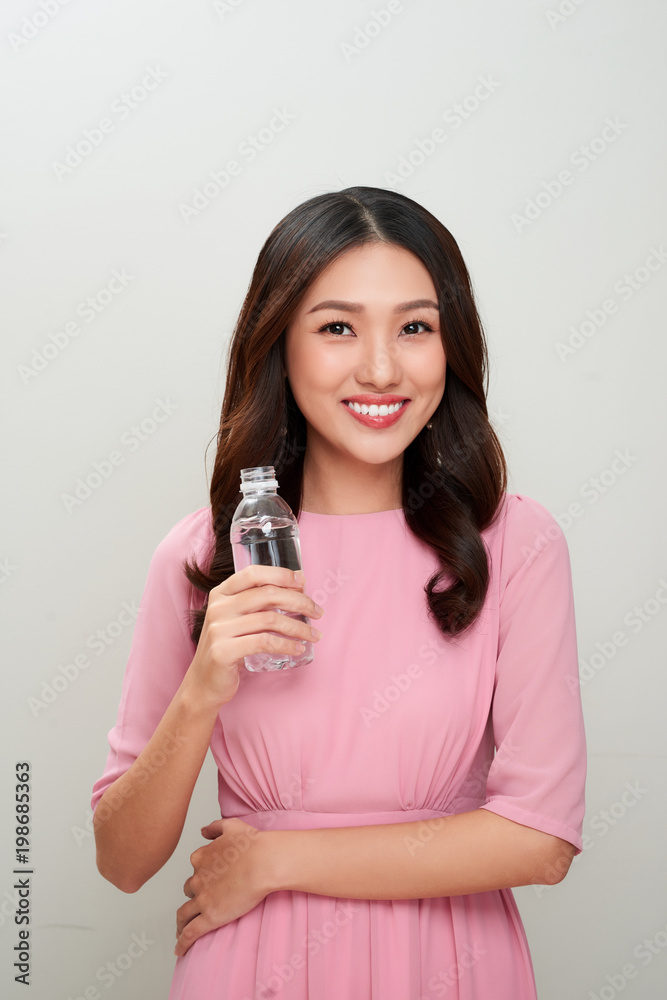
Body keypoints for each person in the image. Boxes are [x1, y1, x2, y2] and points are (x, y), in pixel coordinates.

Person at [91, 185, 587, 1000]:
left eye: (415, 327)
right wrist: (200, 692)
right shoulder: (200, 556)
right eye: (337, 328)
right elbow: (121, 861)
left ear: (450, 346)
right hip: (251, 972)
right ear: (279, 346)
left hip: (450, 967)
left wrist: (276, 860)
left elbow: (539, 840)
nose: (382, 367)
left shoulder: (515, 545)